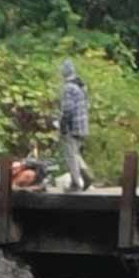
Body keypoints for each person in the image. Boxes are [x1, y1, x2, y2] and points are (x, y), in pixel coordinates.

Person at [58, 57, 91, 190]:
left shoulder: (68, 88)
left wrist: (63, 125)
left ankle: (75, 184)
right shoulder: (81, 85)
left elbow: (68, 109)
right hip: (83, 126)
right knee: (75, 152)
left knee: (70, 155)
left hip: (73, 127)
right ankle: (87, 175)